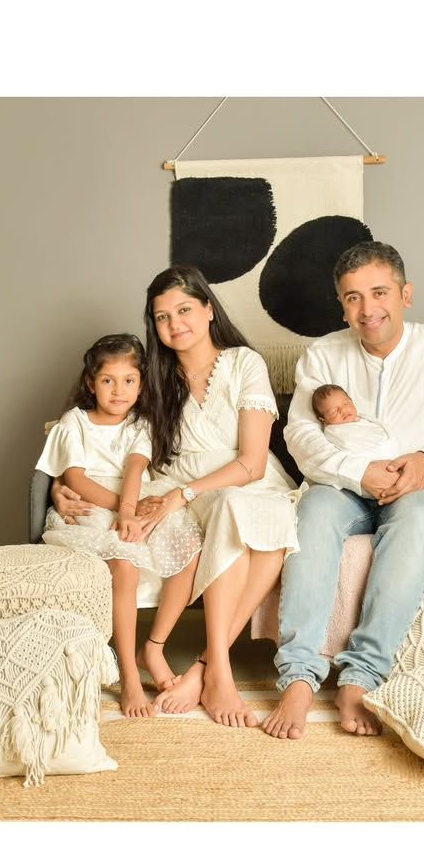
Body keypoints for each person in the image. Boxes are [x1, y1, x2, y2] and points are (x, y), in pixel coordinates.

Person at [263, 241, 424, 741]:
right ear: (341, 305)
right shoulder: (323, 354)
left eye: (379, 292)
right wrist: (358, 471)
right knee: (312, 513)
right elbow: (301, 436)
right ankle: (299, 675)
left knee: (414, 522)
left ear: (406, 294)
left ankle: (361, 676)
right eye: (353, 297)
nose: (368, 309)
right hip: (341, 486)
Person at [53, 267, 299, 729]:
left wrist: (181, 497)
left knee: (269, 520)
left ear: (208, 310)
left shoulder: (244, 363)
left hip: (243, 480)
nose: (175, 324)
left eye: (184, 310)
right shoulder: (154, 375)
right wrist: (56, 484)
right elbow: (95, 426)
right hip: (182, 484)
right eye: (162, 317)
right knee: (233, 513)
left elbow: (252, 463)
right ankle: (217, 670)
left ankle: (207, 668)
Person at [36, 333, 202, 718]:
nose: (118, 391)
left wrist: (130, 509)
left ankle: (154, 647)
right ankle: (128, 673)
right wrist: (122, 510)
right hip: (92, 503)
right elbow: (75, 478)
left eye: (129, 381)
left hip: (132, 494)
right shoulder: (75, 422)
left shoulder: (140, 423)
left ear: (141, 385)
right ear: (91, 383)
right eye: (108, 381)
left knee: (188, 548)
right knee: (124, 566)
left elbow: (134, 468)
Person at [311, 383, 401, 460]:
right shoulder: (333, 431)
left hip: (391, 452)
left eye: (346, 403)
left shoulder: (363, 419)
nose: (344, 410)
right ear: (324, 420)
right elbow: (347, 447)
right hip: (371, 460)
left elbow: (381, 429)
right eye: (334, 411)